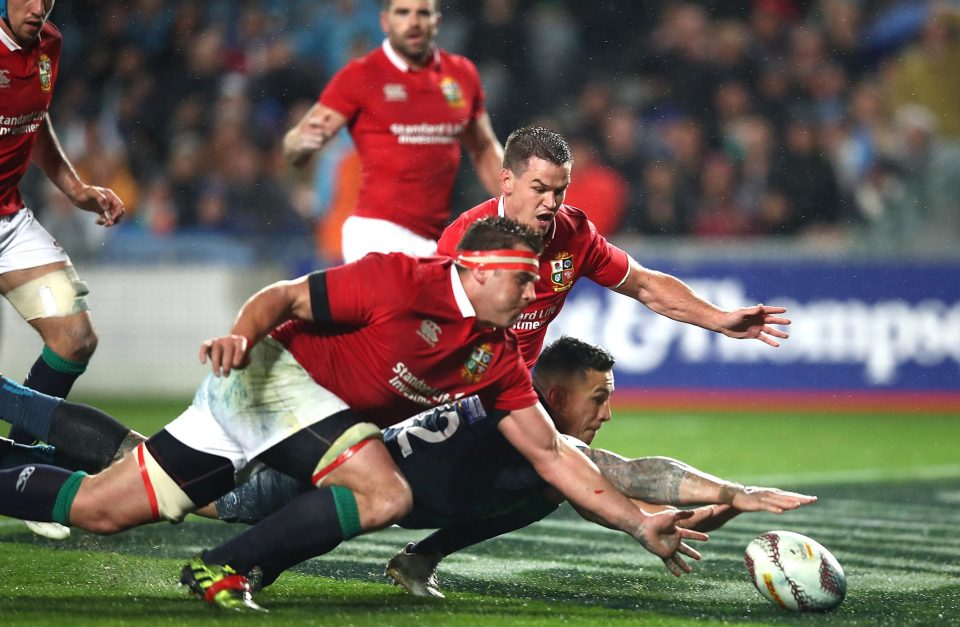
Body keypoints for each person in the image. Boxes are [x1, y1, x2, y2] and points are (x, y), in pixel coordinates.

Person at [0, 217, 706, 612]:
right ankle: (225, 570)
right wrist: (245, 335)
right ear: (482, 272)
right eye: (523, 278)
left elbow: (551, 454)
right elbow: (285, 296)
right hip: (274, 378)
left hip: (287, 413)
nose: (534, 291)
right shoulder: (399, 280)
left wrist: (640, 521)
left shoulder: (497, 356)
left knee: (98, 507)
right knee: (383, 490)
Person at [0, 335, 816, 598]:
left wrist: (734, 493)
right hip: (315, 470)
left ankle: (413, 554)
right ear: (558, 392)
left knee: (135, 473)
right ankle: (13, 411)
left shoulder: (537, 432)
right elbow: (632, 472)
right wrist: (725, 493)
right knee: (134, 482)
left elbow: (625, 466)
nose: (607, 410)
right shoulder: (527, 420)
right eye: (598, 395)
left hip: (336, 466)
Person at [437, 126, 792, 368]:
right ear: (506, 181)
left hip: (513, 388)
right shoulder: (462, 241)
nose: (550, 202)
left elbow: (644, 284)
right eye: (539, 188)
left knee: (586, 391)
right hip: (458, 386)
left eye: (559, 191)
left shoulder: (574, 233)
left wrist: (719, 319)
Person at [0, 0, 125, 538]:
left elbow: (34, 116)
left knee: (75, 337)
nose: (38, 6)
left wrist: (75, 188)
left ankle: (23, 467)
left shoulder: (49, 43)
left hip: (7, 218)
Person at [282, 0, 503, 262]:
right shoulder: (361, 76)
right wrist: (301, 143)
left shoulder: (460, 75)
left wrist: (514, 203)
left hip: (436, 238)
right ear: (385, 21)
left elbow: (484, 147)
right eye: (403, 13)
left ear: (437, 22)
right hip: (376, 234)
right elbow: (296, 144)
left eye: (423, 13)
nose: (413, 22)